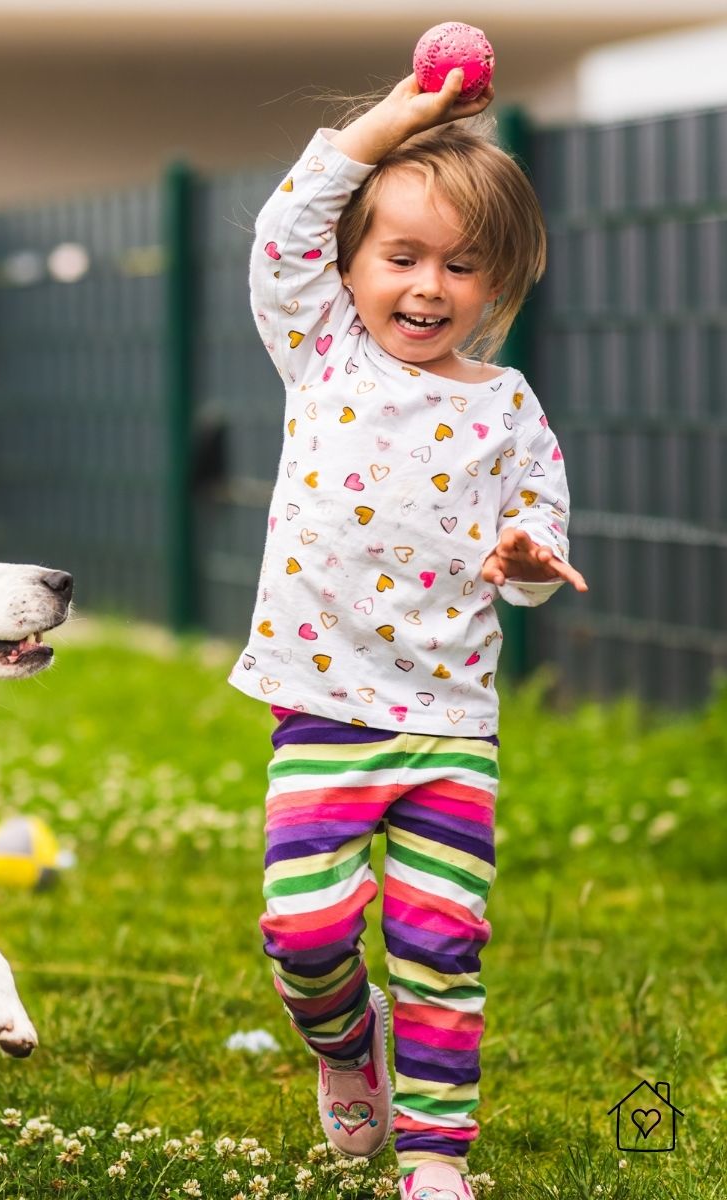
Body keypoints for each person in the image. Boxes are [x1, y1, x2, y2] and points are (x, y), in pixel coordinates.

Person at [228, 69, 588, 1200]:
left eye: (461, 264)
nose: (428, 287)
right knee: (302, 932)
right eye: (402, 257)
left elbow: (538, 534)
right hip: (324, 710)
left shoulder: (510, 409)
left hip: (448, 730)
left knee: (444, 949)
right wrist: (401, 112)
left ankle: (436, 1159)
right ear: (347, 266)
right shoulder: (324, 353)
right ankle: (347, 1048)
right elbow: (286, 223)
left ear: (499, 282)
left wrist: (526, 561)